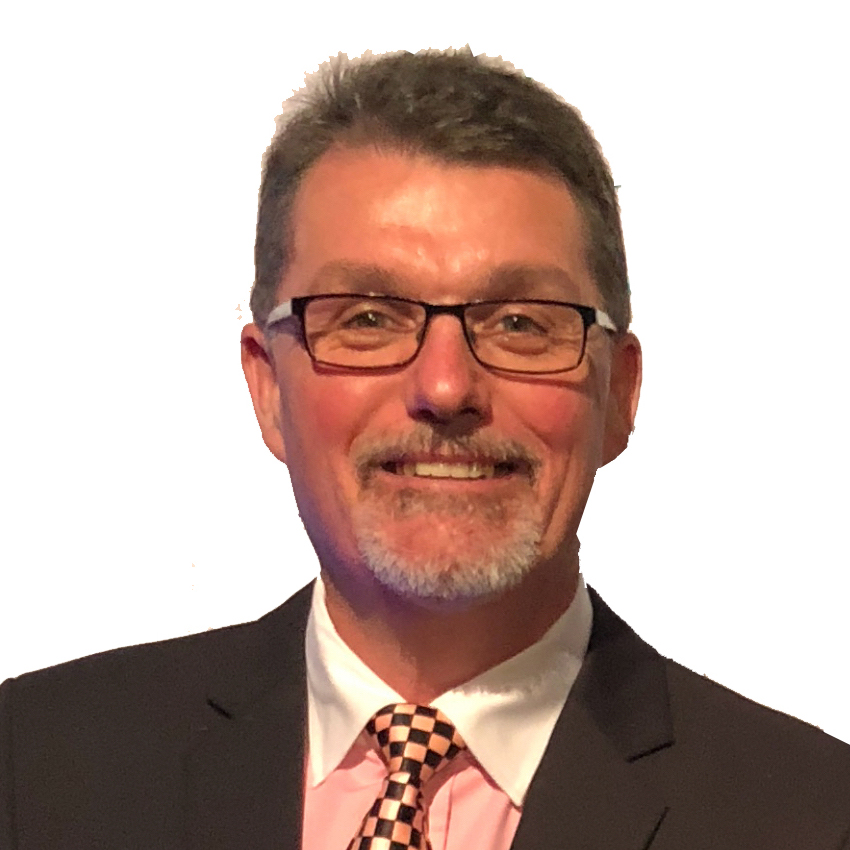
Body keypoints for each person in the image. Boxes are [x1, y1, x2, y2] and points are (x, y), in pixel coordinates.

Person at [1, 47, 848, 850]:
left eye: (521, 323)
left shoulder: (814, 818)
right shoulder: (33, 773)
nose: (445, 387)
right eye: (368, 318)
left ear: (621, 394)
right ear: (266, 387)